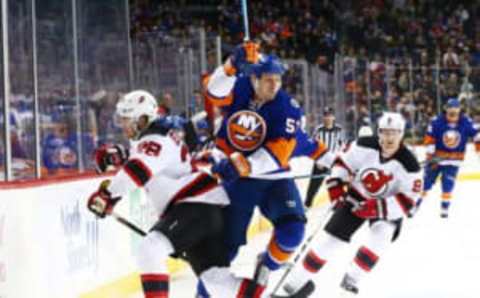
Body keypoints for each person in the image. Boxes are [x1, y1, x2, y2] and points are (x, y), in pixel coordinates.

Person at [87, 90, 264, 298]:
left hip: (193, 206)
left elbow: (139, 170)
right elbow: (146, 162)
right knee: (215, 280)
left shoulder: (154, 139)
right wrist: (117, 159)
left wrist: (107, 195)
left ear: (143, 119)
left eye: (127, 120)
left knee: (150, 249)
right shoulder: (157, 136)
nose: (123, 125)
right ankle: (256, 290)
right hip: (205, 210)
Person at [195, 42, 332, 297]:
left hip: (273, 181)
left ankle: (264, 270)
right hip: (236, 182)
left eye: (278, 80)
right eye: (268, 79)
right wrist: (231, 66)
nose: (274, 85)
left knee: (292, 233)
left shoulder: (286, 108)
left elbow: (280, 153)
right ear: (254, 78)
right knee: (221, 254)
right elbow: (213, 93)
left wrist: (344, 167)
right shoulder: (241, 85)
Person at [273, 112, 423, 297]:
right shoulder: (364, 145)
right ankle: (293, 285)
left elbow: (409, 202)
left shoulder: (410, 165)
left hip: (385, 207)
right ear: (378, 132)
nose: (388, 138)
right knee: (327, 243)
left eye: (394, 133)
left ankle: (353, 277)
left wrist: (376, 208)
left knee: (381, 237)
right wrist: (336, 186)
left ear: (401, 134)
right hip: (356, 198)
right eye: (384, 132)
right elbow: (343, 163)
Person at [419, 97, 480, 218]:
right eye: (450, 108)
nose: (453, 111)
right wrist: (431, 155)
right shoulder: (437, 121)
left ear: (459, 109)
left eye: (456, 109)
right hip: (437, 159)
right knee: (426, 183)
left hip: (454, 161)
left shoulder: (465, 121)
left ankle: (444, 208)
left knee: (448, 184)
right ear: (446, 109)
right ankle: (416, 204)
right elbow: (429, 138)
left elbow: (477, 135)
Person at [304, 106, 344, 208]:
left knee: (337, 183)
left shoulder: (339, 130)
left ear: (333, 117)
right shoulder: (319, 130)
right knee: (314, 185)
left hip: (334, 161)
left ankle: (338, 204)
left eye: (330, 116)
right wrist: (317, 160)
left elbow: (342, 146)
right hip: (320, 161)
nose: (327, 118)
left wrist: (339, 160)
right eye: (325, 115)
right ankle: (307, 204)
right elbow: (313, 146)